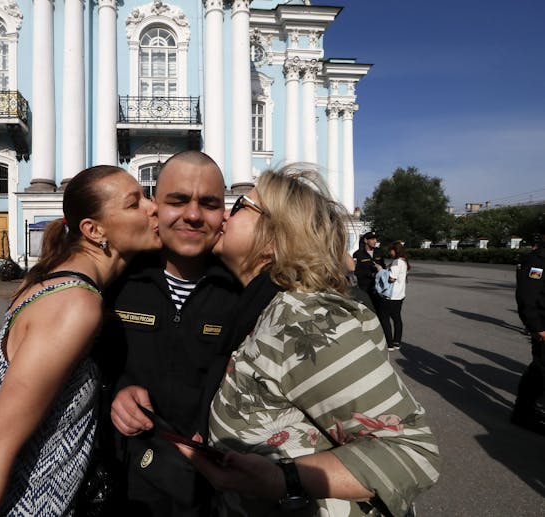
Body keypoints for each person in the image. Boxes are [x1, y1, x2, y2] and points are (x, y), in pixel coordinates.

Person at [177, 165, 440, 517]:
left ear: (276, 235)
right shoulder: (259, 306)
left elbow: (411, 452)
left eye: (240, 206)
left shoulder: (305, 319)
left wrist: (284, 479)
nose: (224, 214)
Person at [0, 165, 161, 516]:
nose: (152, 206)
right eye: (134, 203)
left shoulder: (53, 279)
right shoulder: (74, 304)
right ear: (94, 230)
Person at [101, 150, 242, 516]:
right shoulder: (117, 281)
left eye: (208, 203)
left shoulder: (243, 294)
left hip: (211, 491)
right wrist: (115, 391)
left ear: (223, 213)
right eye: (177, 200)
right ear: (155, 208)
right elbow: (83, 371)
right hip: (127, 486)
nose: (193, 215)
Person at [512, 214, 545, 436]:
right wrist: (537, 327)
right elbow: (527, 297)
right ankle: (523, 413)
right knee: (540, 369)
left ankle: (529, 408)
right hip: (544, 326)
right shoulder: (537, 261)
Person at [378, 241, 410, 352]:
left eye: (390, 250)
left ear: (395, 250)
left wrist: (381, 271)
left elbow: (392, 278)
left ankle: (389, 343)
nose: (389, 252)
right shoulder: (404, 261)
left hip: (390, 296)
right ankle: (397, 342)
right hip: (400, 295)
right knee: (397, 318)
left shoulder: (397, 262)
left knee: (384, 318)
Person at [352, 231, 386, 312]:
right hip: (365, 287)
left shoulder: (379, 252)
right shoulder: (358, 254)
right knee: (367, 310)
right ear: (365, 241)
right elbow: (357, 272)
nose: (375, 241)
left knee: (380, 311)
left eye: (376, 239)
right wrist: (371, 274)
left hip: (378, 287)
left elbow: (383, 267)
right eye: (372, 239)